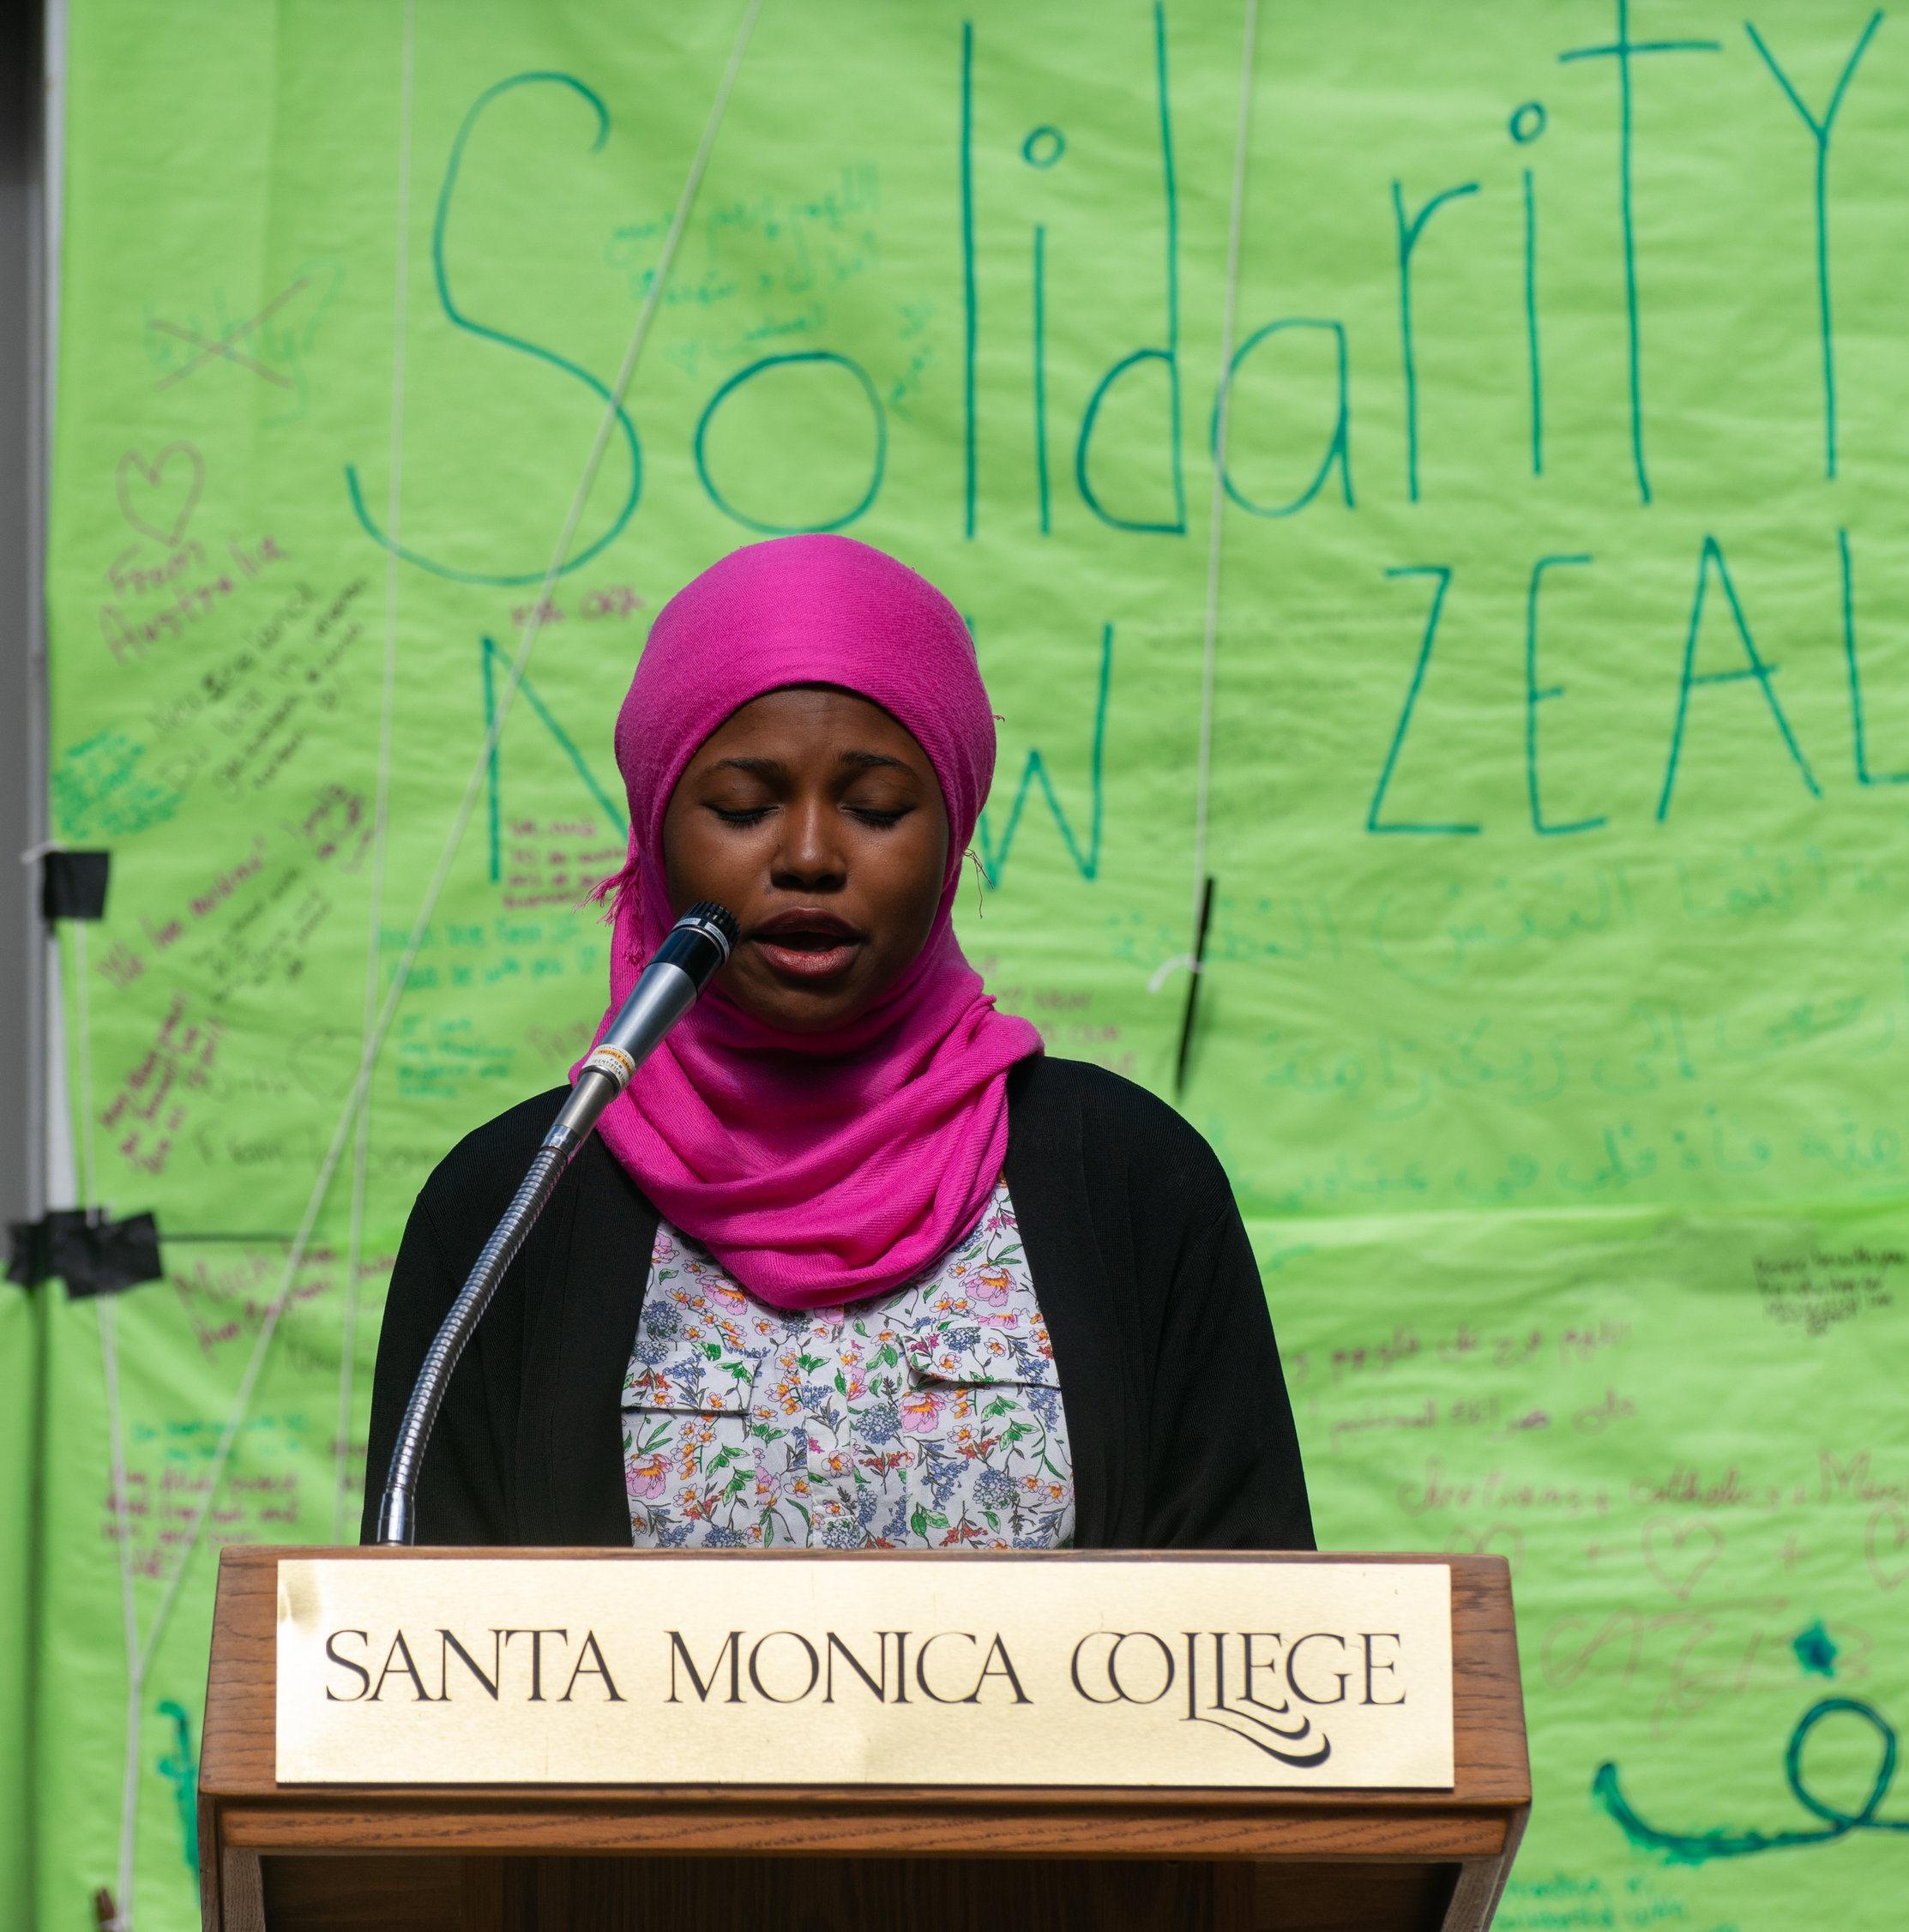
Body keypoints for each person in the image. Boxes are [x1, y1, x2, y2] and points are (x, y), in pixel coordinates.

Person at [362, 535, 1312, 1551]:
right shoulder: (514, 1205)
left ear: (952, 832)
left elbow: (1253, 1642)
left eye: (874, 809)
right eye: (743, 807)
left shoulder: (1130, 1179)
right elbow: (418, 1666)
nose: (809, 856)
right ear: (653, 829)